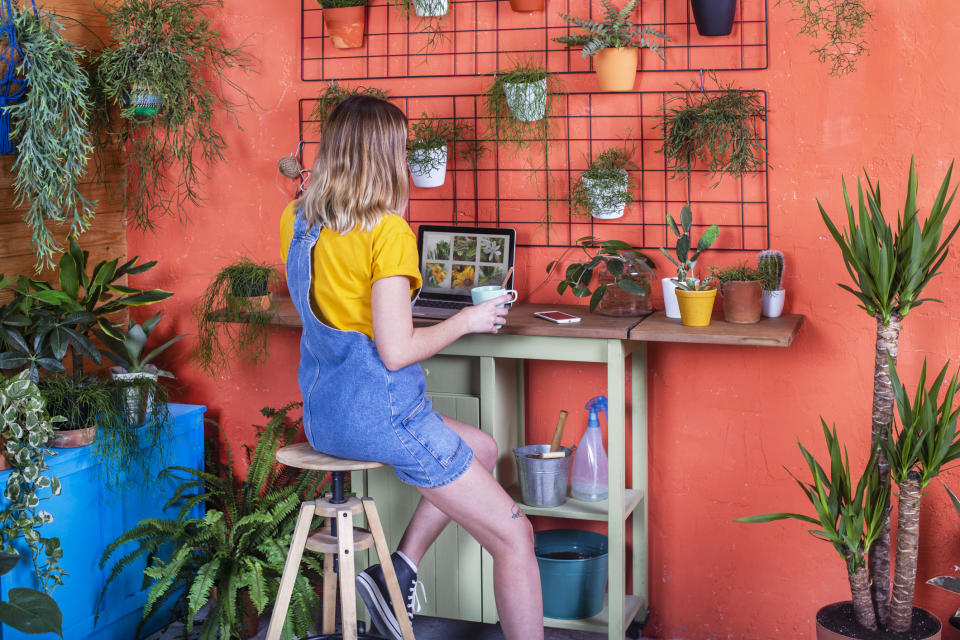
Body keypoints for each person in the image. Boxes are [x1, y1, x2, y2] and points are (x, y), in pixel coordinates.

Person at [279, 95, 543, 640]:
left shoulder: (298, 219)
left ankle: (399, 569)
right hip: (384, 417)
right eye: (402, 150)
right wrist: (468, 320)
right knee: (516, 539)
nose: (408, 160)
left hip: (326, 415)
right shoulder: (388, 232)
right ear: (385, 158)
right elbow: (396, 351)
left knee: (484, 448)